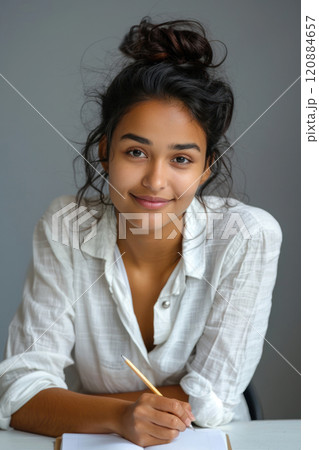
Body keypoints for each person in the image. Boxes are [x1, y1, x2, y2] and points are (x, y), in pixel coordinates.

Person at [0, 16, 282, 447]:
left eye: (181, 160)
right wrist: (120, 416)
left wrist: (80, 409)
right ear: (105, 151)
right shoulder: (65, 227)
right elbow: (19, 392)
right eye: (136, 152)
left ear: (207, 168)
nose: (154, 180)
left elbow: (213, 402)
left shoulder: (247, 236)